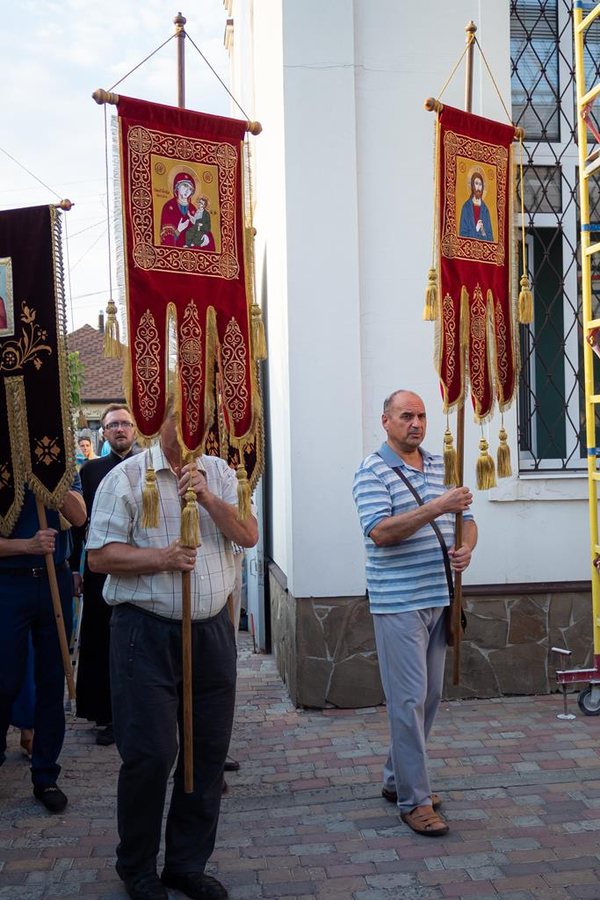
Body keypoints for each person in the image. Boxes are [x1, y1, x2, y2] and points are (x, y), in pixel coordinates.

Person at [86, 411, 258, 900]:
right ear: (154, 422)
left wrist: (206, 496)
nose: (189, 434)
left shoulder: (224, 474)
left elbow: (247, 535)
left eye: (199, 424)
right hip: (146, 633)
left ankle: (186, 862)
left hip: (211, 634)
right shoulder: (125, 478)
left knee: (205, 755)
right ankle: (136, 865)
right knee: (151, 753)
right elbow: (99, 556)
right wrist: (162, 558)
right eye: (179, 423)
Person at [352, 390, 477, 838]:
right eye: (407, 416)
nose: (417, 423)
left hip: (439, 597)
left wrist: (466, 548)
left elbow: (469, 519)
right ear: (386, 421)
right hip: (398, 602)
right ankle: (415, 801)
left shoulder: (444, 464)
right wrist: (436, 507)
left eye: (422, 416)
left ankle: (396, 778)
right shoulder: (371, 471)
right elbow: (381, 532)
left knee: (429, 698)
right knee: (406, 702)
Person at [0, 478, 86, 813]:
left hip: (55, 577)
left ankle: (46, 773)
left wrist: (47, 481)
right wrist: (25, 546)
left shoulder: (57, 463)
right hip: (7, 583)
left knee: (53, 681)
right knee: (4, 680)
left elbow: (79, 517)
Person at [70, 405, 138, 746]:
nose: (120, 429)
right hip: (100, 568)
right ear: (104, 433)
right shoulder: (90, 471)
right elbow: (77, 526)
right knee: (102, 640)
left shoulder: (148, 468)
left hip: (141, 565)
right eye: (113, 425)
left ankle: (141, 711)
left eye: (126, 423)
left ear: (135, 429)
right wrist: (73, 568)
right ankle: (107, 713)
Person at [160, 172, 197, 247]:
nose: (187, 191)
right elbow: (166, 240)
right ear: (177, 186)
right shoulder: (169, 207)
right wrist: (178, 230)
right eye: (185, 186)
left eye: (190, 189)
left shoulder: (193, 210)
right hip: (174, 255)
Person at [459, 171, 493, 241]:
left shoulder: (485, 210)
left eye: (480, 184)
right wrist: (476, 229)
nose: (478, 187)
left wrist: (483, 232)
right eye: (476, 183)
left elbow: (490, 238)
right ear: (472, 186)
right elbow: (462, 234)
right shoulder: (466, 207)